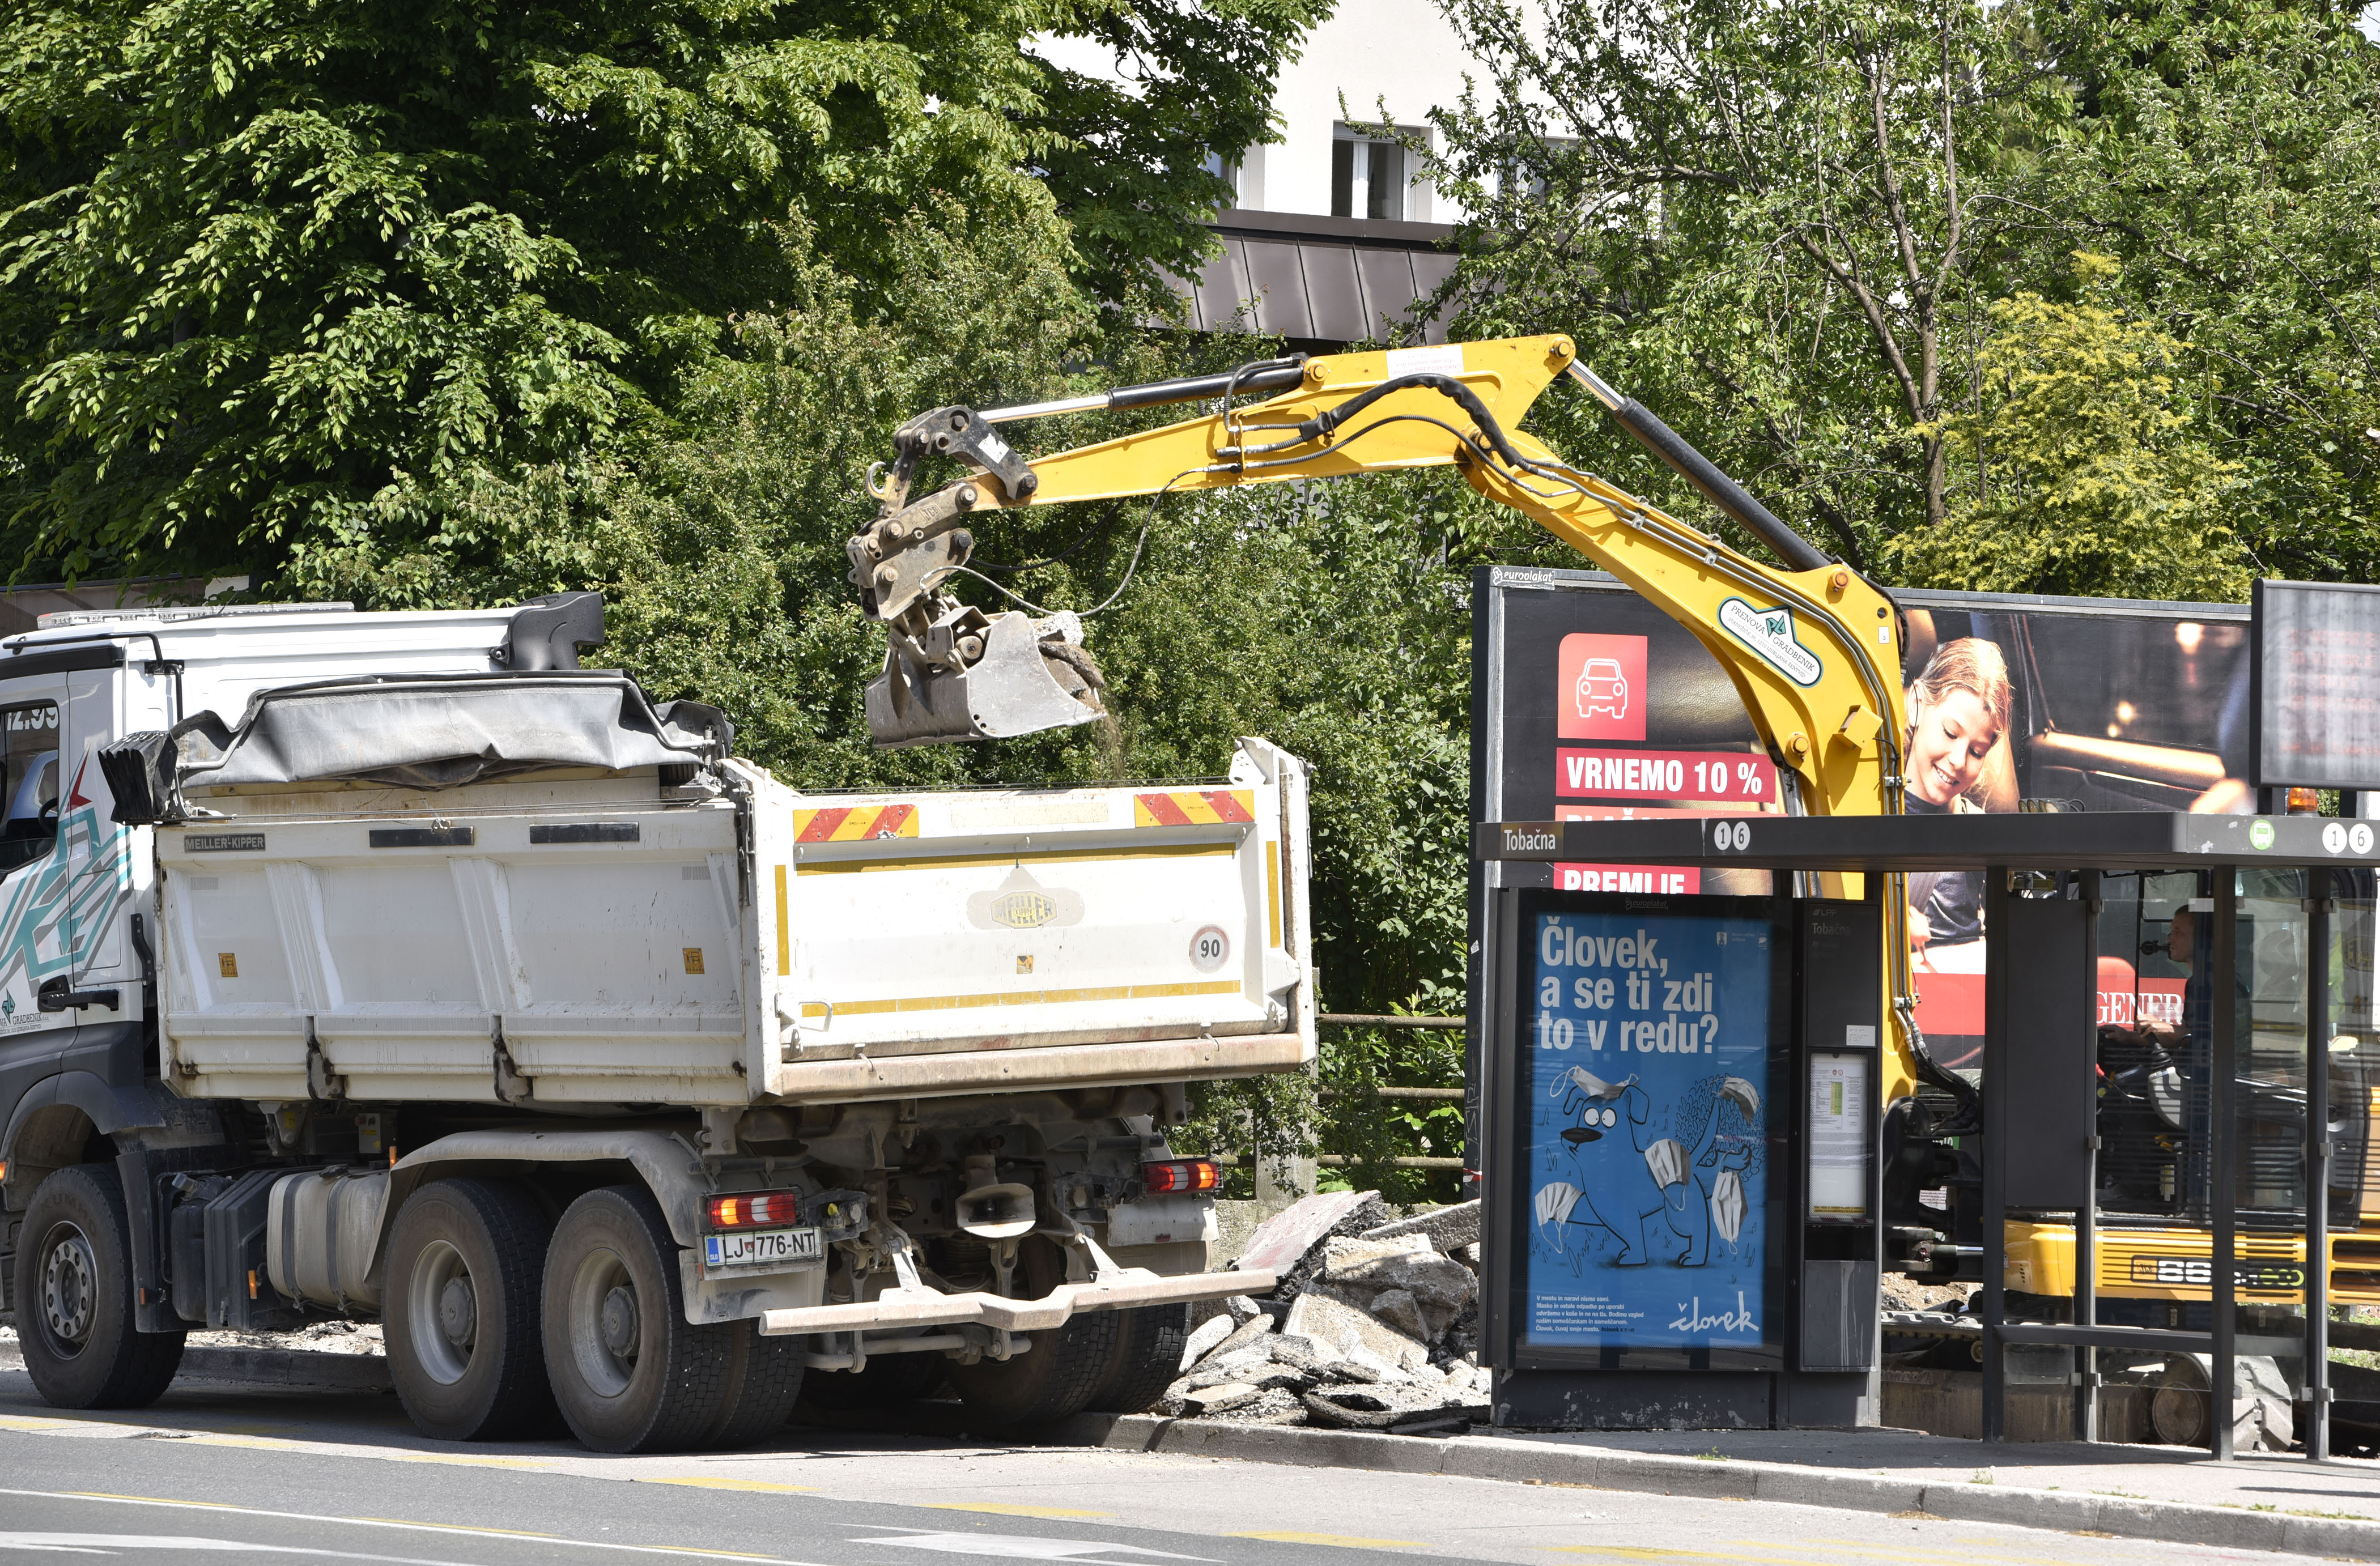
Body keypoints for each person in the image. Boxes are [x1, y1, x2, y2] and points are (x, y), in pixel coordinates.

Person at [1900, 639, 2012, 973]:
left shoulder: (1979, 834)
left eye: (1977, 752)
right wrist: (1890, 922)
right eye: (1950, 733)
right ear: (1917, 705)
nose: (1959, 761)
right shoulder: (1863, 812)